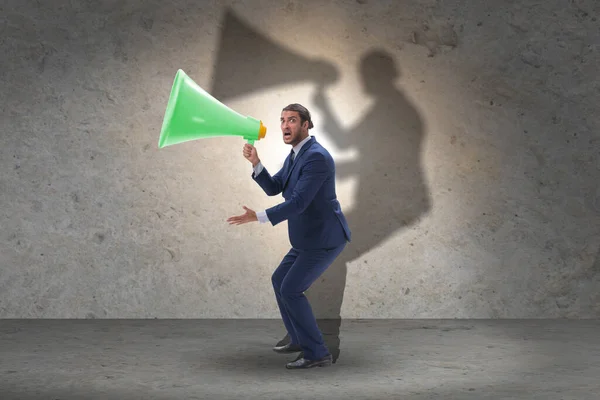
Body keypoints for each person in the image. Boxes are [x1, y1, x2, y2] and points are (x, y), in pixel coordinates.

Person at [227, 103, 351, 369]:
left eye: (292, 120)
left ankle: (317, 353)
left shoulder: (316, 156)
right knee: (279, 280)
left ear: (306, 124)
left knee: (291, 289)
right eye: (282, 120)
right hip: (307, 239)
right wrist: (256, 163)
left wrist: (258, 216)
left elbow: (298, 203)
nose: (285, 125)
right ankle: (298, 338)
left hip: (324, 239)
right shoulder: (296, 154)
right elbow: (275, 188)